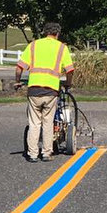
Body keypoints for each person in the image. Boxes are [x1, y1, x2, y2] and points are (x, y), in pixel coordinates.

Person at [14, 22, 75, 163]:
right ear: (57, 33)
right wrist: (67, 83)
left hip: (34, 90)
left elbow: (19, 67)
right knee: (48, 122)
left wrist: (17, 81)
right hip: (51, 91)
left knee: (34, 123)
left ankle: (33, 154)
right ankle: (47, 153)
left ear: (44, 32)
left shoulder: (34, 45)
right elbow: (70, 70)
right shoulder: (61, 48)